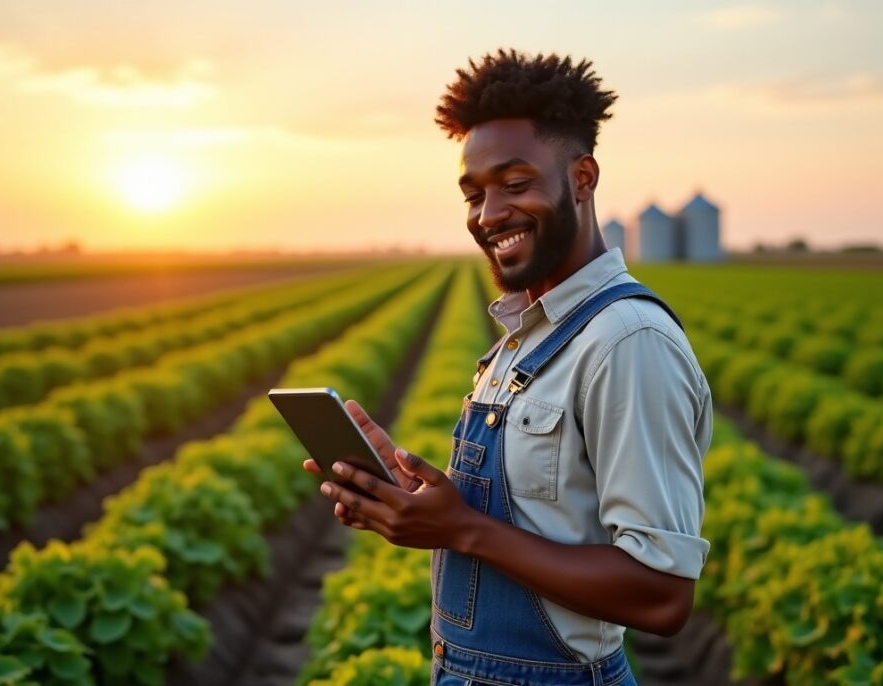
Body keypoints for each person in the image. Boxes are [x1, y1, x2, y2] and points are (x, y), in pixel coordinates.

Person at [304, 49, 713, 686]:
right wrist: (414, 505)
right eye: (474, 194)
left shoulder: (627, 342)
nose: (489, 214)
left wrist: (463, 529)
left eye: (515, 185)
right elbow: (528, 521)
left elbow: (661, 595)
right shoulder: (520, 340)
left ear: (583, 178)